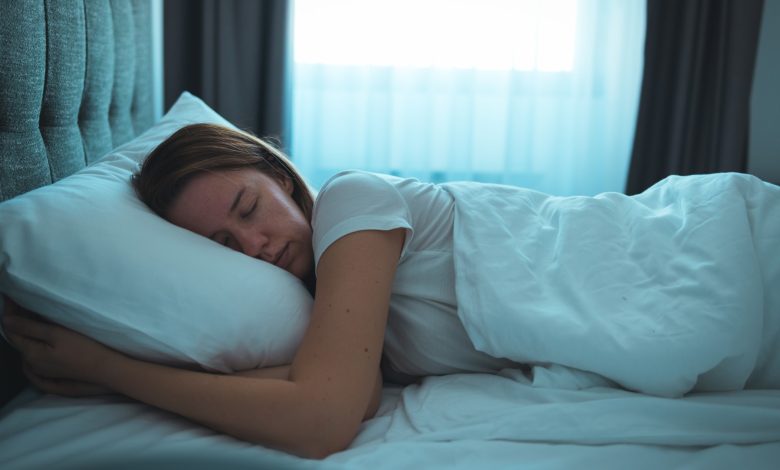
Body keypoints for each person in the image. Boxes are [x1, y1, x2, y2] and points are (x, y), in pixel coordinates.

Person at [2, 123, 507, 459]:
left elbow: (322, 419)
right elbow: (358, 391)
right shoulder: (317, 300)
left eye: (248, 209)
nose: (254, 247)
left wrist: (106, 369)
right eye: (222, 245)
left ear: (279, 177)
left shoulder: (350, 202)